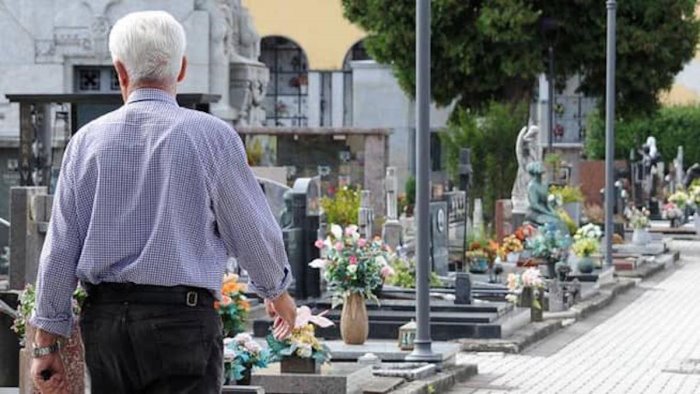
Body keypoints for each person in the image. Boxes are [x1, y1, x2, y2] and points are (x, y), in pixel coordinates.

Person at [29, 11, 296, 393]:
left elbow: (59, 251)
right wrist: (276, 291)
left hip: (106, 324)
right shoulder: (212, 138)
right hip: (181, 321)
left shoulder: (86, 143)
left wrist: (46, 343)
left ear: (120, 71)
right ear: (182, 68)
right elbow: (250, 228)